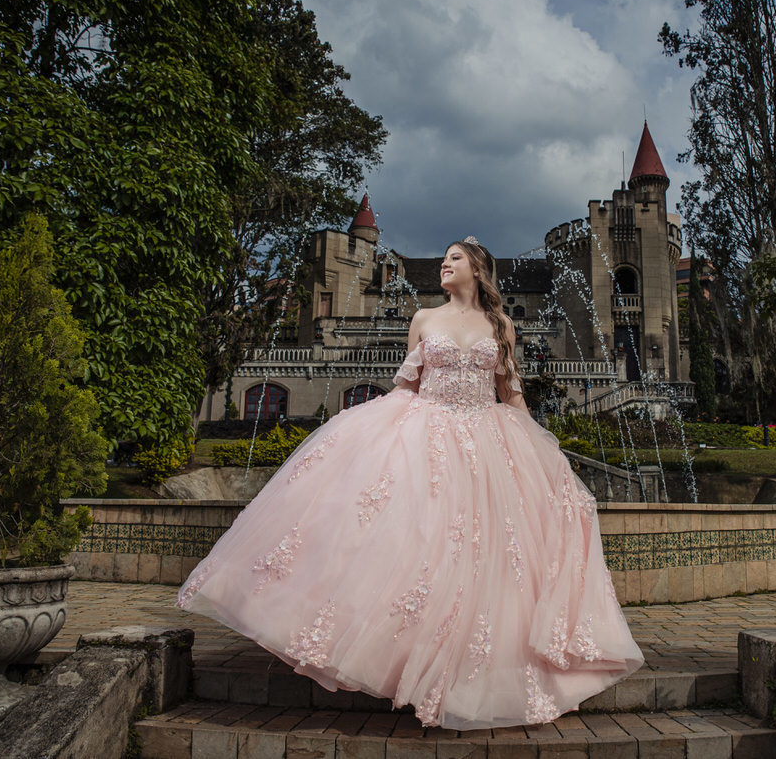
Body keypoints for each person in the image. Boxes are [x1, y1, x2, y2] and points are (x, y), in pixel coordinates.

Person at [177, 237, 643, 729]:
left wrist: (546, 458)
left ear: (478, 269)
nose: (444, 264)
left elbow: (512, 396)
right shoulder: (423, 319)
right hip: (428, 434)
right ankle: (395, 654)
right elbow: (407, 386)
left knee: (485, 551)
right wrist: (368, 431)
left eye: (454, 258)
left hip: (489, 439)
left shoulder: (501, 326)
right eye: (443, 258)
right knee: (417, 538)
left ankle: (477, 663)